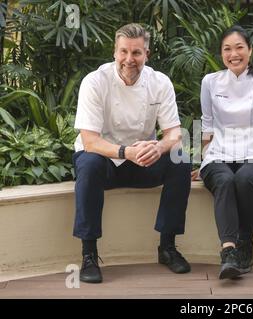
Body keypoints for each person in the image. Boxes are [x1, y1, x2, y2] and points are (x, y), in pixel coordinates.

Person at [73, 23, 191, 283]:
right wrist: (126, 152)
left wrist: (158, 147)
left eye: (136, 53)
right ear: (115, 52)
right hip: (103, 160)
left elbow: (174, 133)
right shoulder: (95, 81)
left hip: (142, 161)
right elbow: (90, 140)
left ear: (146, 55)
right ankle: (89, 255)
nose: (129, 59)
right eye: (123, 52)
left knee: (180, 161)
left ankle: (167, 247)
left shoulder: (159, 82)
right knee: (89, 163)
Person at [191, 25, 253, 280]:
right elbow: (206, 124)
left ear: (250, 50)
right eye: (227, 49)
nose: (234, 54)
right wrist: (204, 160)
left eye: (239, 47)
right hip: (218, 153)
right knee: (223, 180)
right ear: (221, 53)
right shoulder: (210, 82)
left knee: (243, 179)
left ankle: (246, 244)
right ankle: (228, 252)